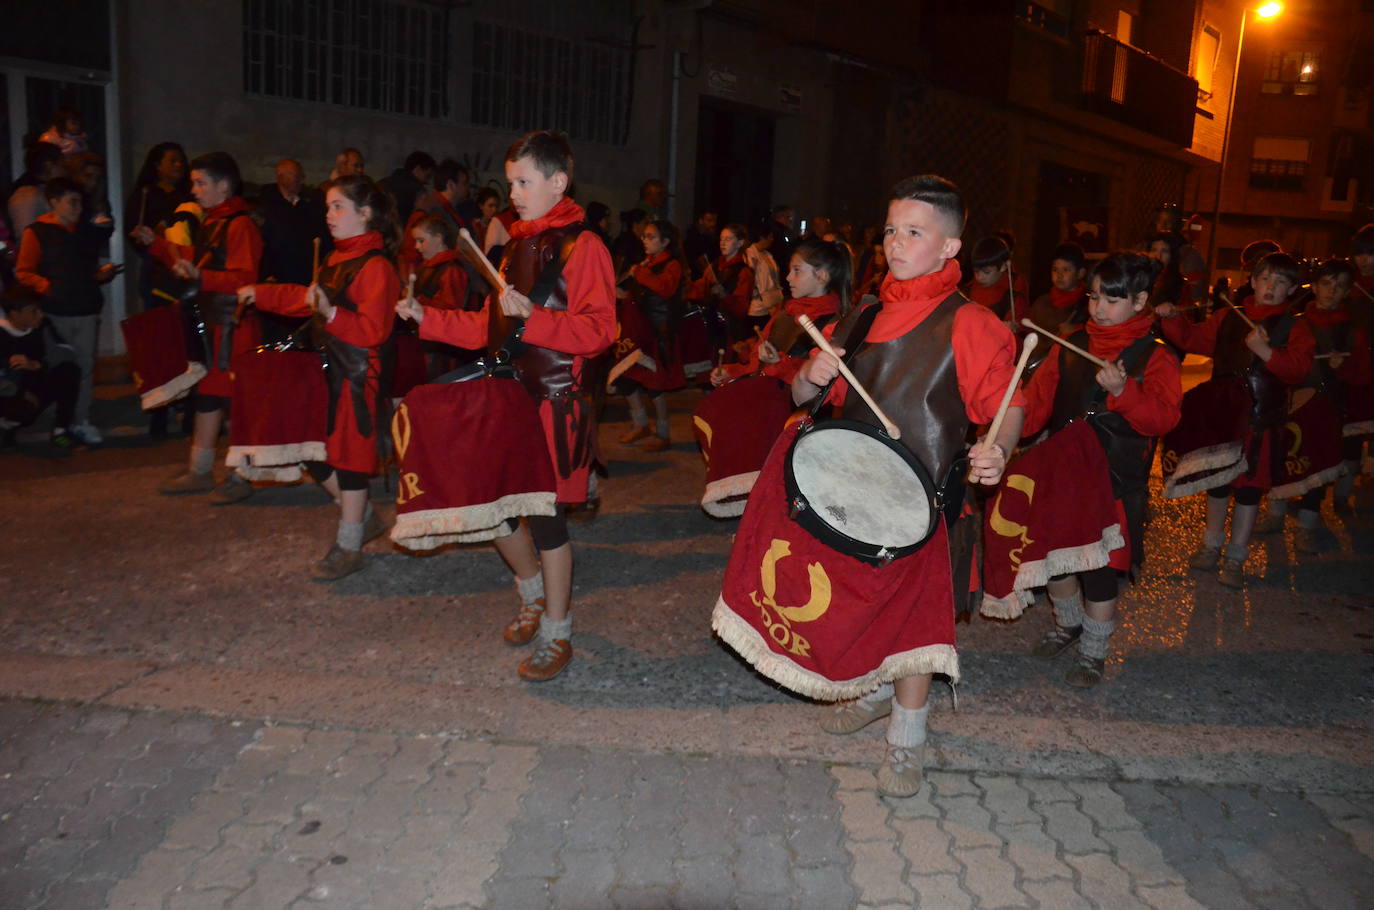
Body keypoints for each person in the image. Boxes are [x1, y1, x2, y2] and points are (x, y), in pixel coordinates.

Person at [714, 175, 1023, 797]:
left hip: (922, 497)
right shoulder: (866, 312)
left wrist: (998, 452)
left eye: (914, 232)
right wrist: (810, 372)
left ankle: (907, 740)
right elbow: (807, 397)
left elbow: (1008, 408)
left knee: (911, 625)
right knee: (862, 605)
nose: (896, 243)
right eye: (890, 230)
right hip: (852, 490)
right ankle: (876, 691)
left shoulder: (971, 324)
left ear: (949, 248)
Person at [396, 129, 615, 681]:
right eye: (511, 181)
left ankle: (557, 632)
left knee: (547, 523)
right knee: (493, 506)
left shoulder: (584, 247)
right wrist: (430, 318)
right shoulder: (515, 246)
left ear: (558, 182)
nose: (513, 192)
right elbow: (492, 327)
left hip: (554, 405)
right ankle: (533, 594)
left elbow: (598, 332)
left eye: (524, 181)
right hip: (508, 397)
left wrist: (532, 318)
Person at [1017, 252, 1182, 686]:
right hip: (1064, 475)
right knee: (1056, 561)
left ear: (1140, 300)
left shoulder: (1157, 357)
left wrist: (1125, 391)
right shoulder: (1069, 344)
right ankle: (1067, 626)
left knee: (1100, 570)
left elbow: (1163, 419)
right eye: (1094, 297)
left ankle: (1094, 650)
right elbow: (1035, 408)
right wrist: (1004, 416)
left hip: (1113, 482)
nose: (1097, 308)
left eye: (1111, 300)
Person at [238, 175, 398, 577]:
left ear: (365, 214)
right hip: (325, 369)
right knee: (311, 449)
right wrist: (260, 292)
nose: (329, 214)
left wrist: (331, 314)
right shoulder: (335, 259)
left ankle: (349, 545)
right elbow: (306, 299)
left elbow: (373, 330)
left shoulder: (377, 267)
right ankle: (361, 519)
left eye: (338, 206)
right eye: (327, 206)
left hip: (359, 375)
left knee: (350, 459)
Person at [1155, 251, 1313, 587]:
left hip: (1260, 419)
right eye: (1266, 278)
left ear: (1292, 289)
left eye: (1281, 282)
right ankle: (1211, 545)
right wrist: (1171, 318)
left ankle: (1236, 556)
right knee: (1218, 482)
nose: (1272, 286)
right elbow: (1191, 338)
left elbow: (1299, 369)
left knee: (1248, 491)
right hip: (1224, 416)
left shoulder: (1296, 327)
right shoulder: (1229, 316)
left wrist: (1267, 352)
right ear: (1253, 282)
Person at [132, 151, 264, 497]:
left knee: (236, 403)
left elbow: (245, 279)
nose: (193, 190)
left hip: (234, 327)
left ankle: (242, 476)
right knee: (208, 397)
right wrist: (159, 246)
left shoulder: (240, 224)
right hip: (215, 326)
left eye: (200, 182)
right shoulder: (215, 221)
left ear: (223, 186)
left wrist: (201, 277)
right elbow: (197, 260)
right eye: (194, 182)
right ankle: (201, 471)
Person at [1258, 258, 1367, 541]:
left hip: (1327, 407)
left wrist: (1342, 366)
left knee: (1318, 462)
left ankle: (1306, 525)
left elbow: (1362, 373)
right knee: (1282, 457)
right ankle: (1275, 514)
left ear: (1347, 292)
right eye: (1326, 284)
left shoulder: (1351, 330)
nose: (1332, 291)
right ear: (1315, 286)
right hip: (1291, 402)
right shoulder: (1293, 322)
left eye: (1340, 286)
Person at [14, 177, 118, 446]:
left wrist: (98, 275)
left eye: (80, 202)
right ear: (54, 203)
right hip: (54, 312)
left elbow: (85, 267)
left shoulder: (83, 231)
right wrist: (47, 287)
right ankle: (57, 417)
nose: (78, 208)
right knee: (58, 365)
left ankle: (79, 419)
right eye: (72, 202)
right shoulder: (37, 232)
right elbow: (24, 271)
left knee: (84, 366)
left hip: (85, 309)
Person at [711, 237, 850, 387]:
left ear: (822, 276)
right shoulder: (789, 310)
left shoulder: (831, 323)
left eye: (797, 271)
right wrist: (732, 371)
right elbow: (759, 366)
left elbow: (813, 385)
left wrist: (778, 363)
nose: (788, 277)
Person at [615, 219, 686, 452]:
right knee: (625, 378)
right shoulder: (646, 263)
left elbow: (665, 288)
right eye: (644, 236)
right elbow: (638, 296)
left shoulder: (672, 264)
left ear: (665, 242)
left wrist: (641, 274)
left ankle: (663, 433)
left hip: (657, 333)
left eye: (651, 237)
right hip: (635, 332)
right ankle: (641, 424)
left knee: (654, 385)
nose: (645, 241)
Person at [0, 285, 80, 452]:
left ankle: (60, 431)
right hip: (10, 391)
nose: (40, 315)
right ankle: (6, 426)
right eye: (33, 311)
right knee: (23, 409)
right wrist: (20, 392)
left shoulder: (42, 325)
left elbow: (66, 351)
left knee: (69, 370)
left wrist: (37, 364)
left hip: (36, 384)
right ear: (15, 314)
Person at [258, 159, 330, 286]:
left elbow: (322, 235)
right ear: (280, 177)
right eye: (297, 176)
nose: (301, 181)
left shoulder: (312, 203)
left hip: (306, 274)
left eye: (302, 176)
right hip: (278, 274)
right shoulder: (267, 205)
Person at [690, 223, 753, 343]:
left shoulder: (743, 272)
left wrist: (724, 295)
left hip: (729, 331)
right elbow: (700, 289)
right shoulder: (714, 266)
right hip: (709, 325)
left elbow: (741, 309)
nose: (723, 243)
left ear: (740, 243)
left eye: (728, 239)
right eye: (721, 239)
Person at [1027, 241, 1089, 336]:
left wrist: (1077, 330)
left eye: (1066, 270)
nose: (1059, 275)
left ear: (1080, 273)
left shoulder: (1088, 305)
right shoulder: (1041, 303)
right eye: (1055, 270)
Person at [963, 235, 1026, 326]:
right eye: (976, 271)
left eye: (987, 272)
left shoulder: (1012, 297)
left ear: (1003, 266)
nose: (979, 277)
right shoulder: (966, 292)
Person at [7, 143, 63, 240]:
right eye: (62, 165)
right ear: (49, 166)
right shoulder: (27, 196)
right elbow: (26, 237)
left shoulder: (43, 191)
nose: (65, 171)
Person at [743, 225, 783, 337]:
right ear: (762, 237)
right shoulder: (750, 255)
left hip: (771, 303)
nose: (772, 239)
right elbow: (752, 281)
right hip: (757, 306)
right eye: (770, 236)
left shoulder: (767, 254)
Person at [378, 150, 435, 224]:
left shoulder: (382, 183)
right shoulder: (419, 192)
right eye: (427, 176)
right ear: (417, 169)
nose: (428, 182)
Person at [683, 210, 719, 279]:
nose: (713, 224)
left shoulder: (712, 238)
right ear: (701, 221)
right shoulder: (693, 239)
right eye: (709, 220)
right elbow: (700, 263)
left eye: (714, 221)